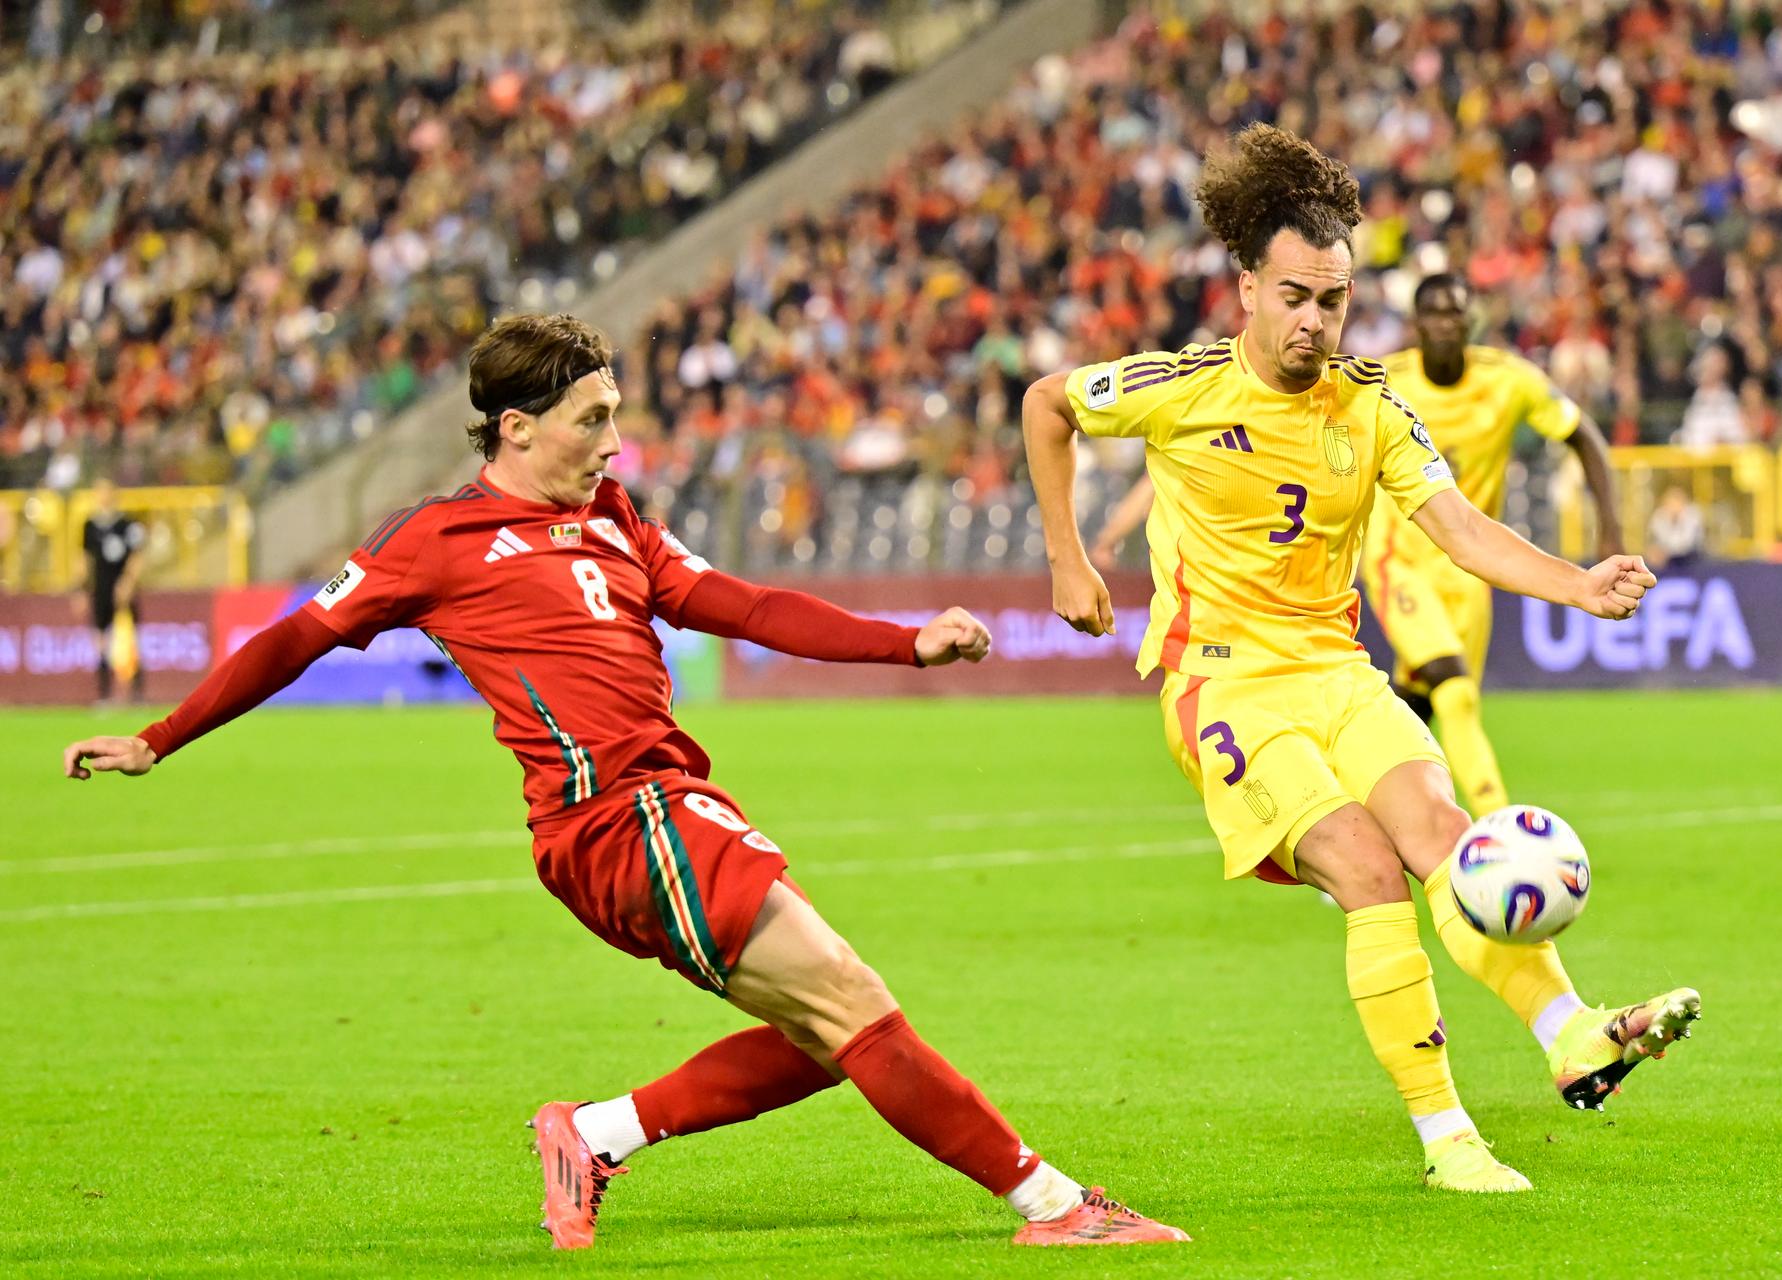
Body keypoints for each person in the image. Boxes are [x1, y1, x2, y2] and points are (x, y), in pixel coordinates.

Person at [63, 314, 1186, 1252]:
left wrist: (904, 642)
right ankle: (1053, 1203)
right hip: (617, 819)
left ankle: (596, 1131)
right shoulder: (440, 539)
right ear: (517, 427)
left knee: (830, 1033)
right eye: (591, 418)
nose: (615, 438)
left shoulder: (616, 520)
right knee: (851, 1000)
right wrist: (160, 737)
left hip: (668, 805)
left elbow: (743, 605)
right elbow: (295, 638)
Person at [1023, 125, 1699, 1195]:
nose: (1313, 321)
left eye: (1332, 301)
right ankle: (1449, 1139)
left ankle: (1574, 1031)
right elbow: (1047, 402)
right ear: (1247, 287)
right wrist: (1068, 557)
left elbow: (1461, 528)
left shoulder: (1372, 406)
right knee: (1367, 867)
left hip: (1337, 673)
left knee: (1446, 837)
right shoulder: (1180, 386)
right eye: (1293, 295)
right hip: (1226, 682)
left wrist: (1577, 580)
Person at [1358, 273, 1625, 818]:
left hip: (1471, 567)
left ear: (1469, 320)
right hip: (1398, 558)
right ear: (1416, 324)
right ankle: (1501, 827)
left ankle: (1352, 817)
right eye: (1433, 313)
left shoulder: (1508, 380)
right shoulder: (1383, 381)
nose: (1444, 324)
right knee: (1454, 690)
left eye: (1455, 312)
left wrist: (1611, 531)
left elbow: (1583, 435)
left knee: (1421, 701)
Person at [78, 479, 146, 703]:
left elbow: (137, 556)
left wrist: (127, 582)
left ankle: (136, 693)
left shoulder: (128, 525)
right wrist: (80, 589)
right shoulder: (89, 526)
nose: (103, 496)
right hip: (101, 589)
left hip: (123, 591)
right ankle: (104, 694)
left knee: (129, 639)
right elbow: (85, 559)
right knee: (100, 641)